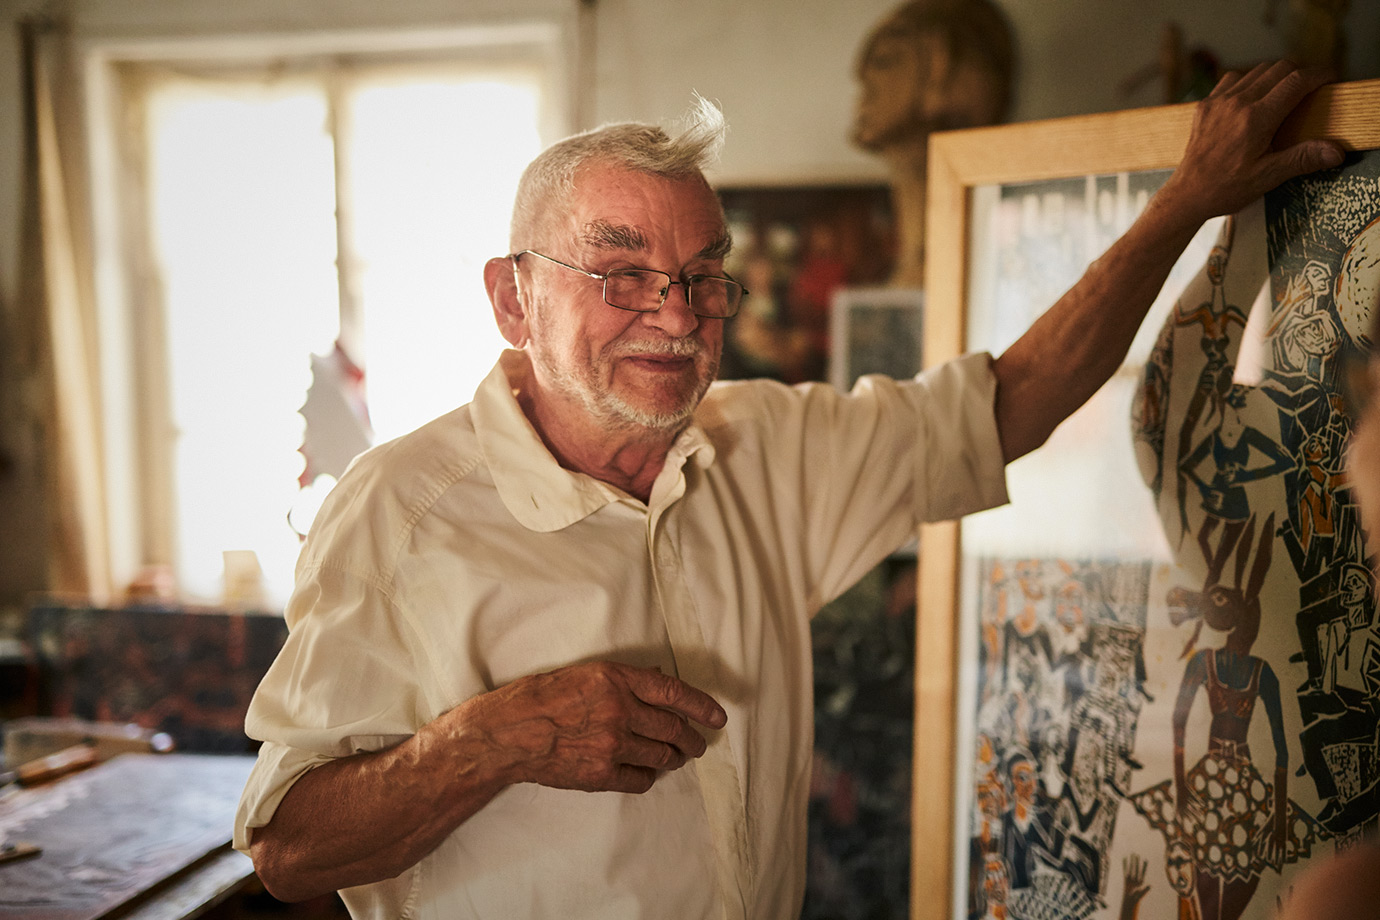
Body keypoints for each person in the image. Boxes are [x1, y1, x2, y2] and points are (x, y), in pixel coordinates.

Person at [233, 62, 1342, 919]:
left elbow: (1011, 403)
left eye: (704, 274)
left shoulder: (760, 443)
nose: (675, 315)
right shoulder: (398, 512)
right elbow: (287, 845)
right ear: (513, 299)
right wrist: (490, 740)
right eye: (622, 273)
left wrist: (1184, 202)